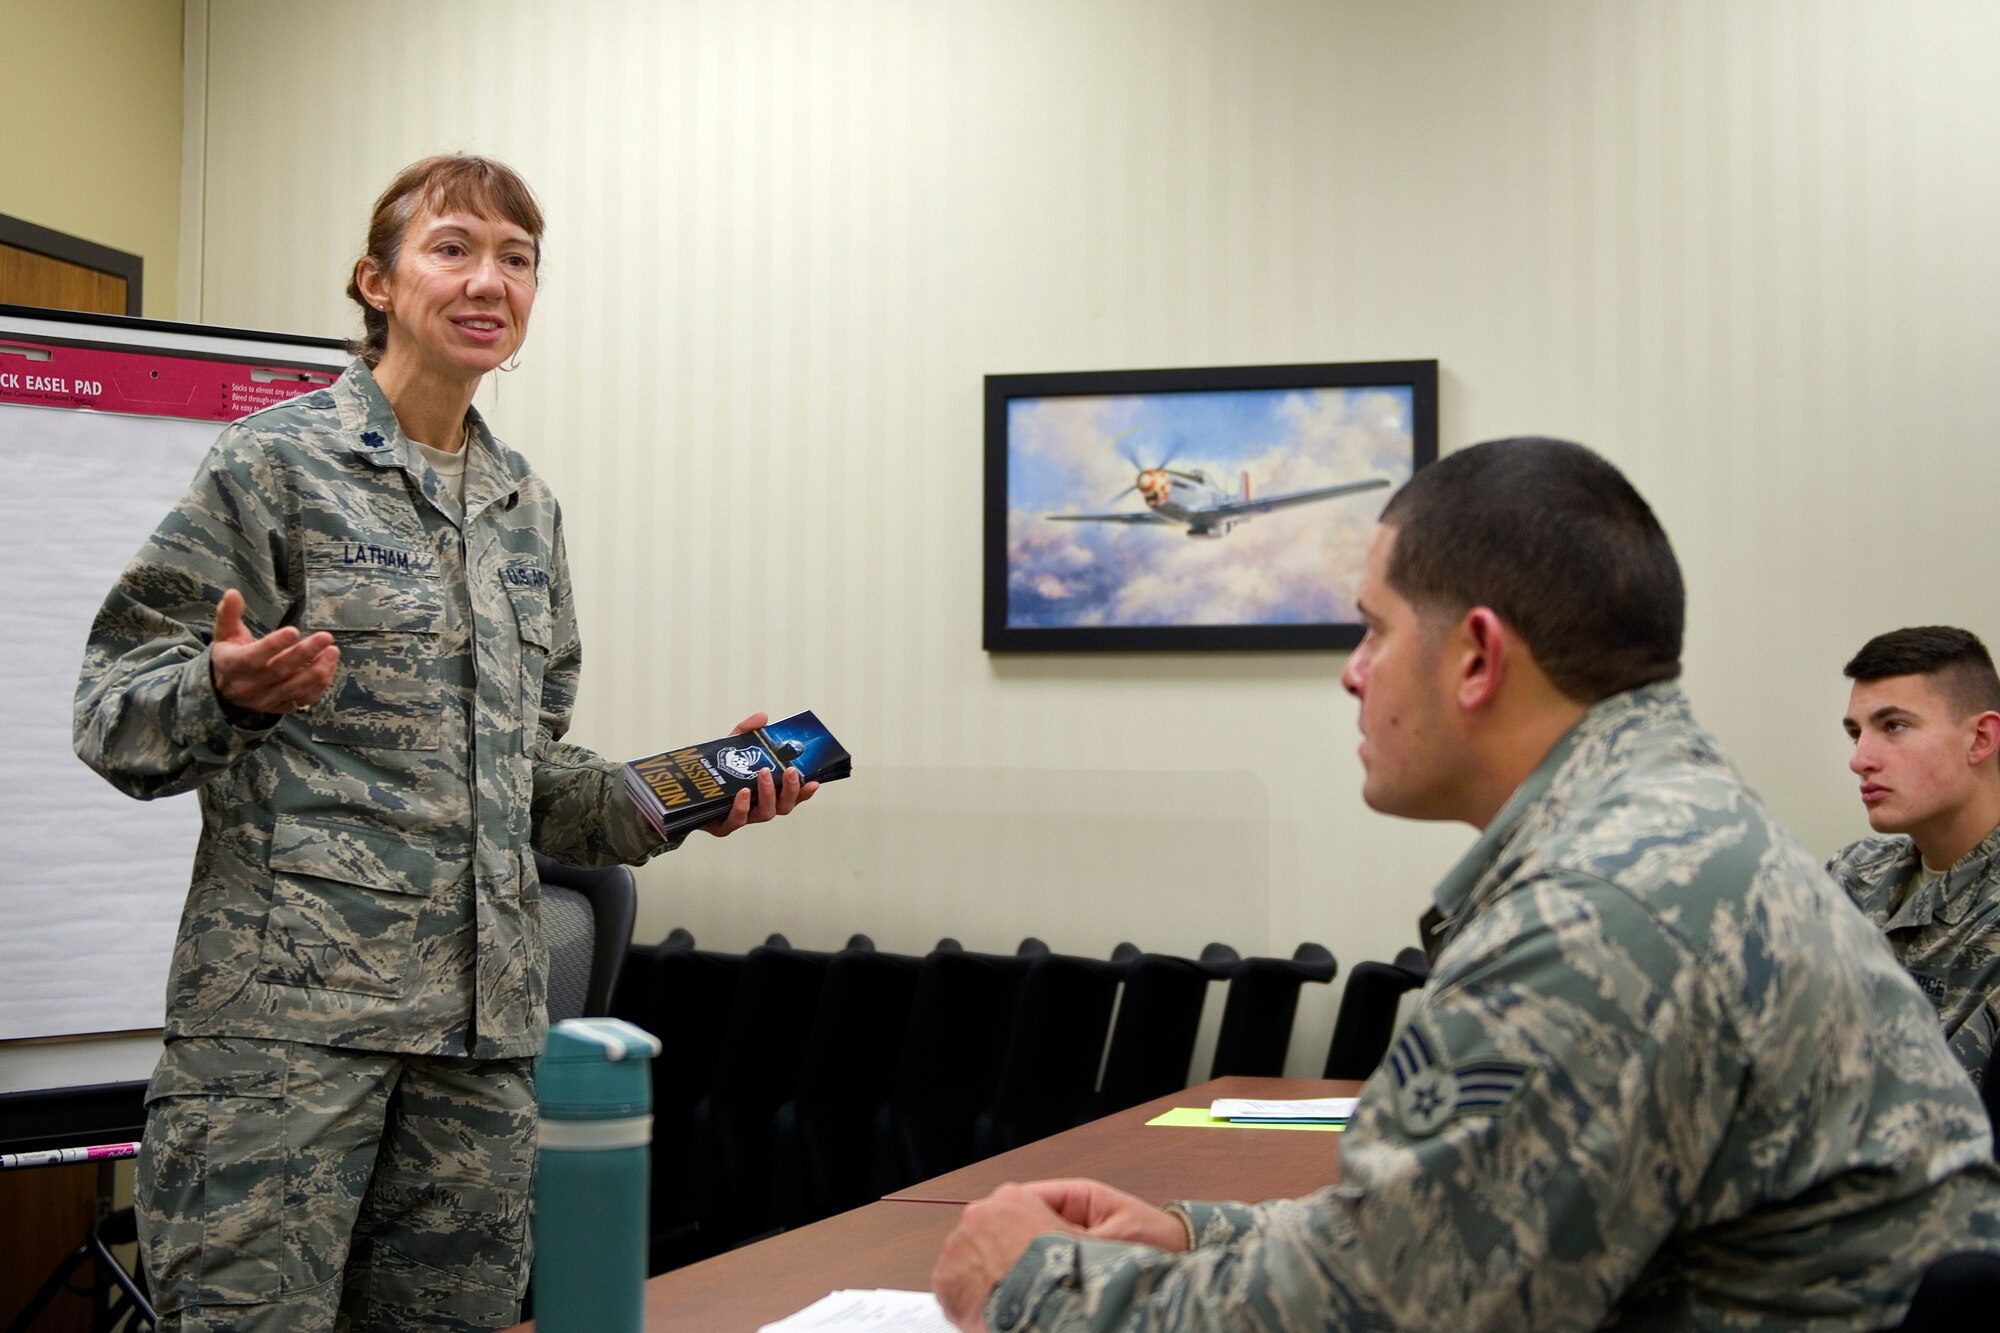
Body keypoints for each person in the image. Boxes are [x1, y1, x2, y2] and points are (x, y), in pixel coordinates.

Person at [931, 438, 2000, 1332]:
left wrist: (1031, 1282)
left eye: (1373, 626)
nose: (1351, 669)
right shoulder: (1662, 834)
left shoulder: (1602, 909)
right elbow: (1450, 1233)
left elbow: (1383, 1314)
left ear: (1476, 658)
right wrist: (1190, 1234)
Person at [73, 154, 813, 1332]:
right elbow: (113, 712)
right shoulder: (274, 465)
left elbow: (529, 785)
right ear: (375, 279)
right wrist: (228, 689)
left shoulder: (525, 508)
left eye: (516, 259)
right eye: (453, 248)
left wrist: (687, 794)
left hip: (479, 1052)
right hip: (286, 1046)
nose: (489, 281)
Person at [1829, 626, 2000, 1086]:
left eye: (1893, 727)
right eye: (1855, 734)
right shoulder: (1852, 873)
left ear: (1981, 739)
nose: (1860, 758)